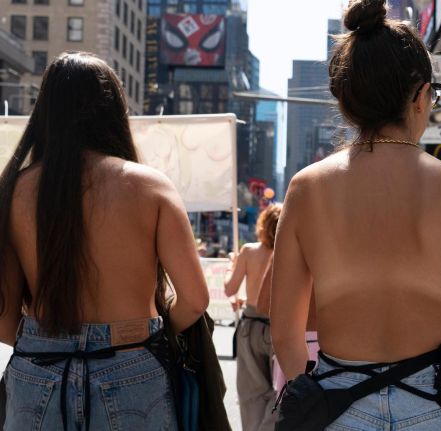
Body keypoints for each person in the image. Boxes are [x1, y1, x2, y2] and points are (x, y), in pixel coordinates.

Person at [270, 1, 441, 430]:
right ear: (421, 97)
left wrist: (308, 391)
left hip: (337, 404)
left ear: (346, 101)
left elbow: (286, 334)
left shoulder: (306, 189)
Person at [0, 52, 209, 430]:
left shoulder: (13, 190)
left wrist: (51, 343)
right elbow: (195, 300)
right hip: (132, 364)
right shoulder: (150, 187)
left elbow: (2, 322)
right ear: (113, 110)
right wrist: (149, 335)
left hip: (38, 370)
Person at [224, 203, 282, 431]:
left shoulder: (249, 251)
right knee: (281, 391)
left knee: (251, 393)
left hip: (251, 327)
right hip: (279, 326)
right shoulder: (289, 253)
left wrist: (231, 267)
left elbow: (230, 289)